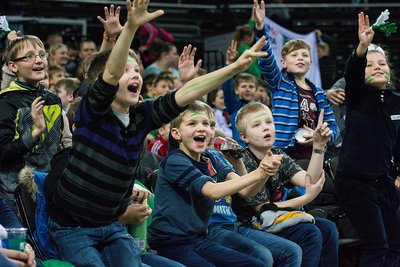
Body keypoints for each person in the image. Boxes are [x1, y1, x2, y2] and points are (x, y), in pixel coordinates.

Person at [44, 1, 268, 266]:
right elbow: (110, 73)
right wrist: (130, 27)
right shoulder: (93, 113)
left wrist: (235, 68)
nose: (135, 75)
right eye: (127, 71)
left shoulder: (142, 114)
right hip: (73, 228)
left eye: (137, 70)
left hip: (110, 223)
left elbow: (188, 93)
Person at [148, 101, 273, 267]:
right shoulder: (174, 160)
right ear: (176, 134)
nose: (201, 128)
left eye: (206, 124)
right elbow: (212, 191)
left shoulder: (211, 158)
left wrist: (265, 173)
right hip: (169, 242)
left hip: (199, 239)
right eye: (192, 123)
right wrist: (259, 172)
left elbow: (246, 192)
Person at [233, 101, 339, 267]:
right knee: (310, 233)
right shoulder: (242, 160)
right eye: (257, 125)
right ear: (244, 137)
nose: (266, 127)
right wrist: (305, 199)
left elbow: (309, 180)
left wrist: (318, 146)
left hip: (275, 218)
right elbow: (262, 209)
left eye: (269, 122)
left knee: (328, 228)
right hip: (253, 224)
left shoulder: (278, 153)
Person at [334, 12, 400, 267]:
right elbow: (352, 73)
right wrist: (362, 47)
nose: (377, 67)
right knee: (377, 245)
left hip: (381, 181)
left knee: (395, 244)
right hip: (354, 182)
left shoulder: (396, 100)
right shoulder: (358, 97)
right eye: (370, 65)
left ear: (389, 70)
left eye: (381, 64)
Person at [254, 0, 338, 160]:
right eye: (294, 55)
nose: (300, 58)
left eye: (305, 55)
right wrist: (260, 30)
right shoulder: (279, 83)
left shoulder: (320, 94)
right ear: (284, 62)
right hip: (283, 154)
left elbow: (333, 126)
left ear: (310, 62)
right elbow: (266, 59)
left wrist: (324, 137)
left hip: (314, 155)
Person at [0, 35, 64, 208]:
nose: (38, 60)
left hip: (51, 187)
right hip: (17, 194)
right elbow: (3, 152)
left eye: (42, 55)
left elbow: (58, 146)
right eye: (29, 56)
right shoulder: (6, 101)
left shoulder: (52, 99)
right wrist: (35, 132)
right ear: (13, 66)